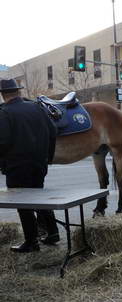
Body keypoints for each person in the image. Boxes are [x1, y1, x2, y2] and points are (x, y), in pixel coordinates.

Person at [0, 79, 59, 253]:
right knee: (39, 198)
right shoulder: (37, 108)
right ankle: (53, 232)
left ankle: (31, 242)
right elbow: (53, 132)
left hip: (17, 166)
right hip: (39, 164)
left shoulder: (4, 112)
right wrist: (48, 158)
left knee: (23, 205)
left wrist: (2, 163)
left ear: (3, 95)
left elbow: (2, 142)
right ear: (18, 92)